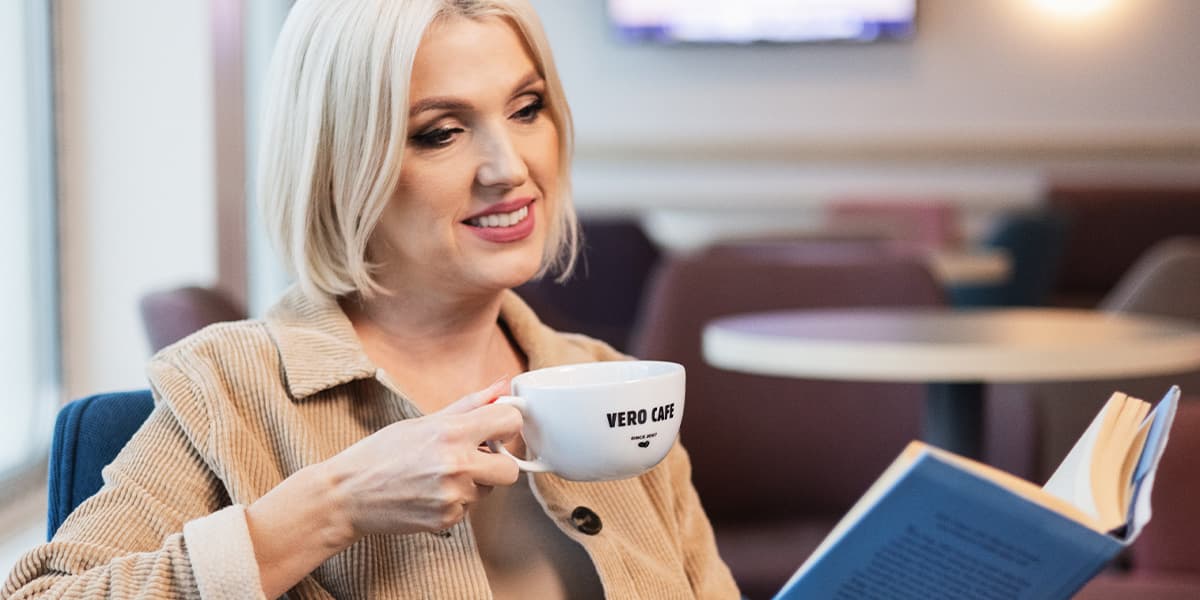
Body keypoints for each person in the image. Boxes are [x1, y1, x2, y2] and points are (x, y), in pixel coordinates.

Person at [2, 0, 739, 598]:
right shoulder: (227, 389)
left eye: (526, 108)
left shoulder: (613, 381)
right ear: (340, 166)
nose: (509, 168)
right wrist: (334, 505)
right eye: (442, 133)